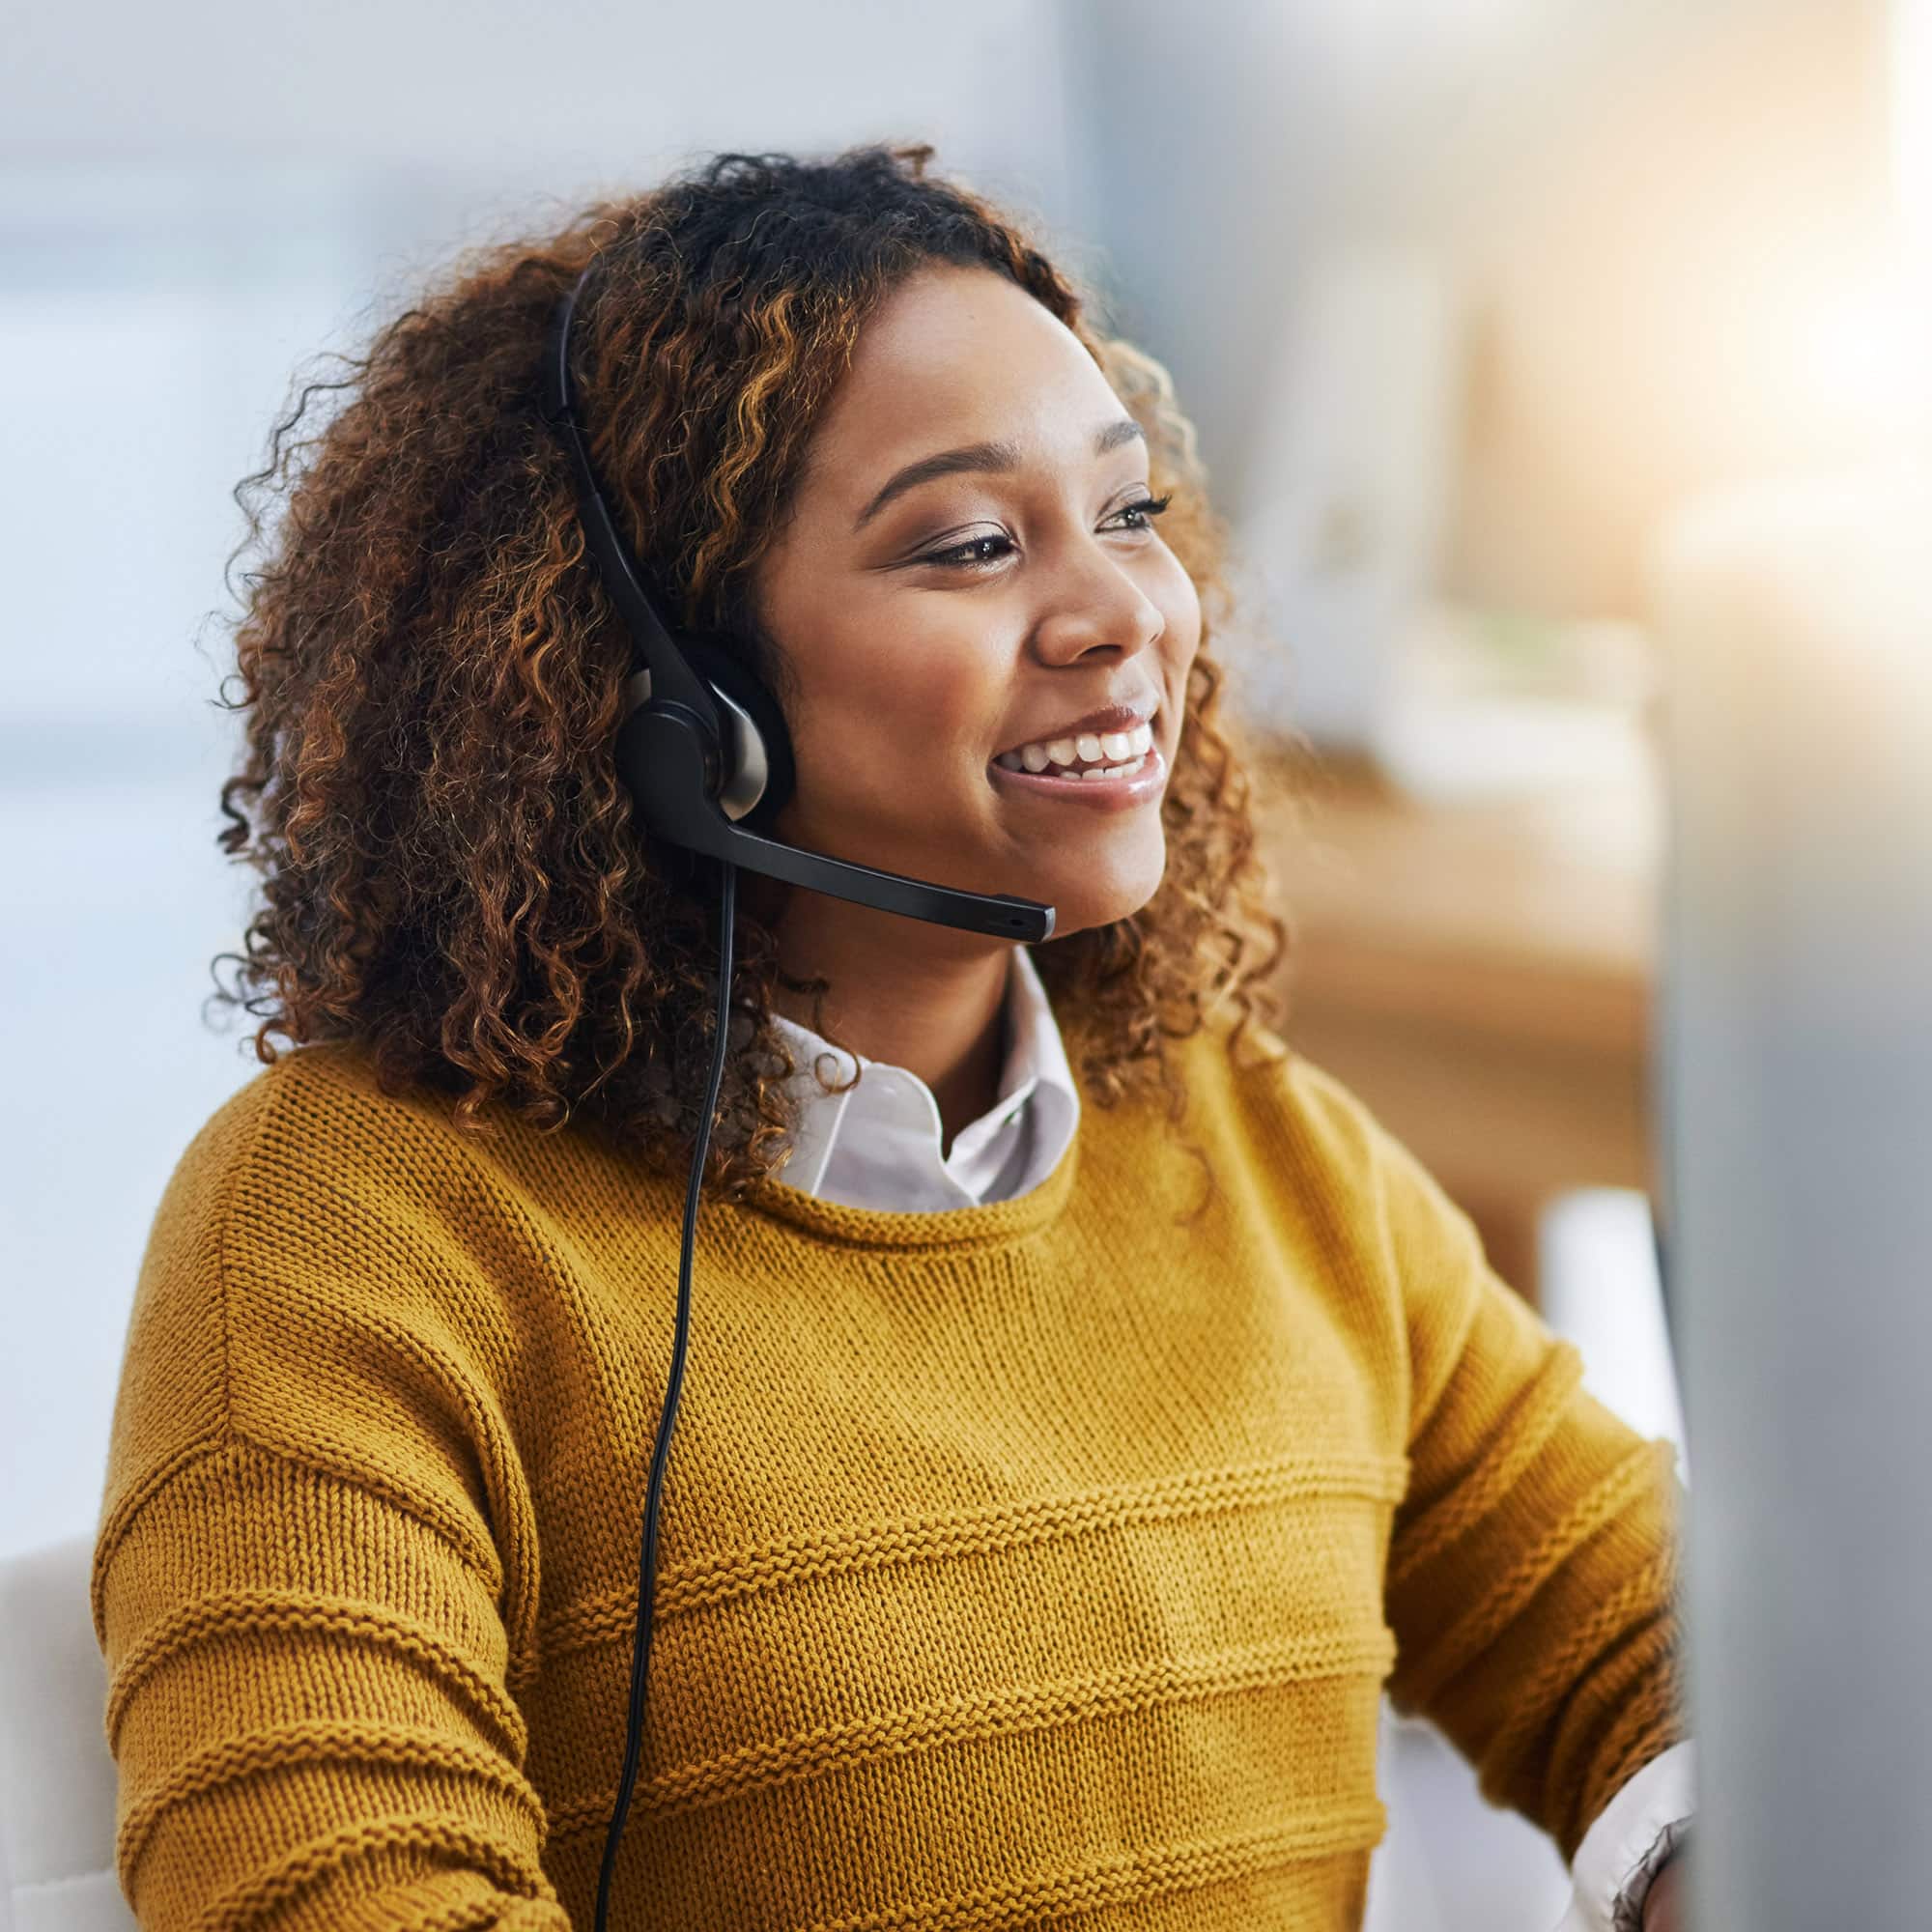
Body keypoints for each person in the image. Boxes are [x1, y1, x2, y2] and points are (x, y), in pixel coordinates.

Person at [91, 144, 1690, 1930]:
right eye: (972, 545)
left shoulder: (1254, 1145)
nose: (1123, 619)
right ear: (684, 706)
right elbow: (328, 1900)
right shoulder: (349, 1232)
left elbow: (1652, 1638)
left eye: (1131, 513)